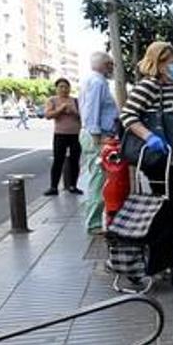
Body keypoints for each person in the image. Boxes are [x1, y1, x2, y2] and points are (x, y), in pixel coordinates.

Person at [120, 41, 173, 281]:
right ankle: (156, 253)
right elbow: (128, 115)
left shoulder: (172, 87)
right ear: (159, 62)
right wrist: (150, 137)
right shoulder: (149, 86)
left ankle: (165, 258)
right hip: (165, 163)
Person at [79, 52, 121, 234]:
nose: (112, 67)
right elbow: (91, 110)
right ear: (102, 65)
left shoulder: (93, 81)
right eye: (110, 64)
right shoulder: (97, 82)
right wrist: (98, 137)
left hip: (98, 135)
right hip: (97, 136)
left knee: (97, 178)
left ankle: (94, 220)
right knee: (98, 179)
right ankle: (94, 223)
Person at [44, 78, 83, 196]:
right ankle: (53, 187)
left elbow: (83, 116)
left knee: (75, 160)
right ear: (56, 88)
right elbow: (48, 115)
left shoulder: (75, 101)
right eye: (61, 86)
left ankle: (73, 185)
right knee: (58, 160)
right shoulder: (52, 100)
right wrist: (60, 109)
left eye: (66, 87)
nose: (64, 89)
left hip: (75, 134)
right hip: (60, 134)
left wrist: (72, 111)